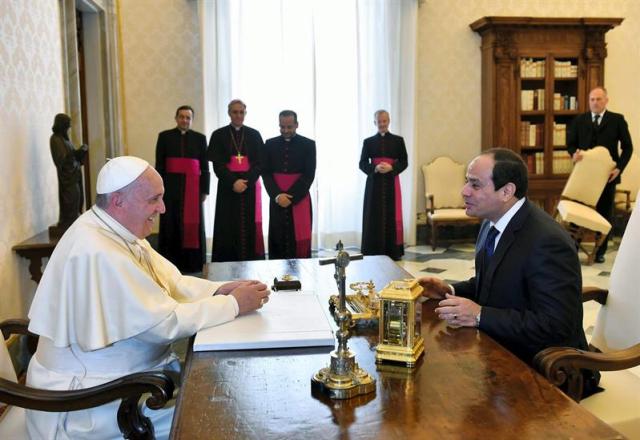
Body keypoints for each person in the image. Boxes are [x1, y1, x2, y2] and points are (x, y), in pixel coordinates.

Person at [26, 156, 270, 439]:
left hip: (128, 380)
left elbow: (172, 283)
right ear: (118, 200)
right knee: (220, 415)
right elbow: (161, 324)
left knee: (224, 395)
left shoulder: (116, 231)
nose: (163, 208)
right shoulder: (97, 249)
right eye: (154, 199)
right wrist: (234, 304)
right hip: (95, 401)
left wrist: (218, 290)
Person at [418, 148, 599, 394]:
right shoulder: (491, 222)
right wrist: (448, 290)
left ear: (507, 192)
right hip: (502, 351)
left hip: (548, 371)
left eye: (475, 184)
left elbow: (556, 326)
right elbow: (494, 283)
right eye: (466, 182)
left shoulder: (547, 241)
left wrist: (480, 315)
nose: (464, 191)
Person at [567, 86, 634, 263]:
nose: (595, 103)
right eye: (592, 100)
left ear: (606, 100)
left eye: (598, 99)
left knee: (604, 214)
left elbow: (628, 147)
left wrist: (618, 168)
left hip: (608, 177)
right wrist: (573, 153)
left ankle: (600, 251)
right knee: (579, 212)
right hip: (584, 176)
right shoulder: (580, 120)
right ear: (589, 101)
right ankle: (572, 247)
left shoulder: (617, 120)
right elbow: (571, 144)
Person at [208, 99, 265, 261]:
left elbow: (260, 163)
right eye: (235, 112)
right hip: (228, 187)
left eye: (241, 112)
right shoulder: (218, 135)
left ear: (245, 113)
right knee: (227, 225)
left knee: (249, 226)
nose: (238, 115)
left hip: (249, 187)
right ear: (229, 113)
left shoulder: (254, 135)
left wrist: (246, 181)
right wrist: (233, 182)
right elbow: (218, 165)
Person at [155, 105, 209, 273]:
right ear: (176, 118)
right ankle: (170, 263)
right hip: (171, 188)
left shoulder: (200, 138)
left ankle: (192, 264)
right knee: (171, 223)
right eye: (182, 117)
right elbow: (160, 165)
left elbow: (205, 167)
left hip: (193, 189)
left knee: (192, 225)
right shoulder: (164, 137)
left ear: (192, 120)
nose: (185, 120)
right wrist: (159, 190)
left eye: (188, 117)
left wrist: (205, 190)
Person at [262, 110, 316, 259]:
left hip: (299, 198)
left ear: (297, 125)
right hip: (277, 199)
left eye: (289, 127)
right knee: (277, 237)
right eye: (282, 127)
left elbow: (309, 174)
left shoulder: (309, 145)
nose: (285, 131)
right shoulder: (270, 144)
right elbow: (266, 173)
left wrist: (291, 197)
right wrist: (278, 195)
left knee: (298, 240)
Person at [359, 110, 408, 260]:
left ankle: (393, 251)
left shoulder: (398, 140)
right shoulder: (368, 142)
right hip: (374, 185)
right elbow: (362, 164)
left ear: (389, 121)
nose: (382, 124)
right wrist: (374, 168)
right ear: (375, 123)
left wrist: (392, 168)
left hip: (391, 184)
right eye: (379, 122)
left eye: (384, 121)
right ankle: (372, 250)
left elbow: (404, 162)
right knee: (372, 216)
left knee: (391, 215)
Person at [50, 113, 88, 233]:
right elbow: (62, 160)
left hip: (74, 175)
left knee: (77, 199)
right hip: (67, 178)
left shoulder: (66, 140)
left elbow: (72, 157)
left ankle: (74, 220)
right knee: (71, 199)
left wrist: (80, 152)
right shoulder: (55, 139)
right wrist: (76, 154)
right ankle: (69, 222)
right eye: (67, 126)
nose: (68, 129)